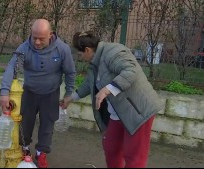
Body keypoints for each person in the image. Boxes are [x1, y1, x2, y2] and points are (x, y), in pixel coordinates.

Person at [62, 31, 163, 168]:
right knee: (111, 146)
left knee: (133, 154)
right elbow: (89, 83)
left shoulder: (113, 51)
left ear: (87, 50)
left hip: (138, 110)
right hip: (118, 112)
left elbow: (131, 71)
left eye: (80, 55)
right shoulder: (95, 62)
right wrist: (71, 98)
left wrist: (107, 89)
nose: (80, 58)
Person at [0, 19, 76, 168]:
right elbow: (12, 69)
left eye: (41, 38)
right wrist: (4, 92)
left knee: (47, 125)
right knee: (25, 123)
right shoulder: (24, 49)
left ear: (50, 35)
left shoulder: (62, 49)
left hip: (51, 93)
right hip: (30, 92)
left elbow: (70, 72)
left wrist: (68, 93)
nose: (37, 42)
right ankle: (25, 149)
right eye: (35, 37)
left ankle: (41, 153)